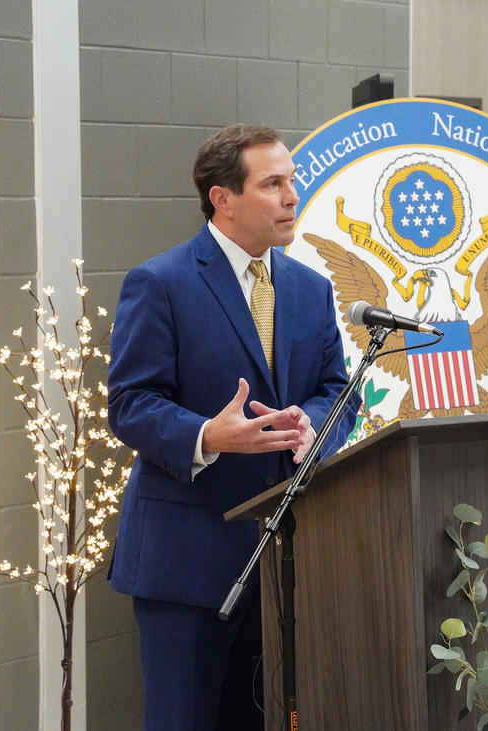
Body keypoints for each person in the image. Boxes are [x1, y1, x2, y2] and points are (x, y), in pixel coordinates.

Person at [107, 123, 359, 730]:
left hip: (282, 561)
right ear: (222, 198)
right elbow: (130, 403)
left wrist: (312, 425)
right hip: (187, 562)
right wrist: (207, 436)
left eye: (291, 181)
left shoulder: (310, 289)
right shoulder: (161, 282)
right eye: (272, 184)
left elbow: (337, 390)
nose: (291, 197)